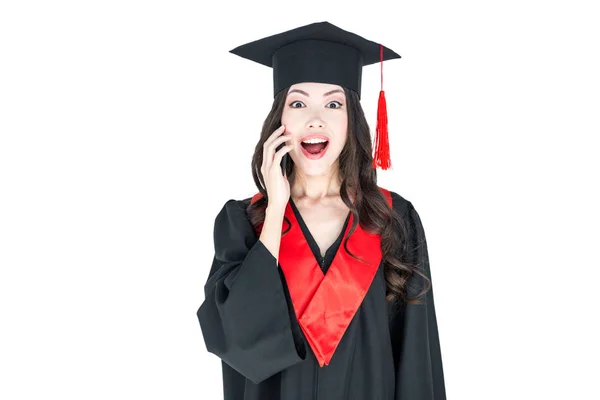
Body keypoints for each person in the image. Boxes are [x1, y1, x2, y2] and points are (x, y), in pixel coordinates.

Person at [196, 21, 446, 400]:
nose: (316, 118)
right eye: (298, 103)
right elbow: (233, 340)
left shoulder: (394, 220)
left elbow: (416, 359)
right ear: (280, 120)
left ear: (352, 121)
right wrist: (276, 208)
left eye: (333, 103)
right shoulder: (243, 223)